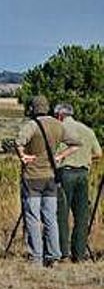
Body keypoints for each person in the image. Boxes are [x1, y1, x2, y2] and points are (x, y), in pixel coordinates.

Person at [15, 96, 79, 267]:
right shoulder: (58, 125)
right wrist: (59, 156)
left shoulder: (32, 125)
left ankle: (36, 256)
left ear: (32, 109)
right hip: (51, 177)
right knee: (51, 217)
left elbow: (18, 141)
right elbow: (75, 143)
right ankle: (54, 255)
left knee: (33, 217)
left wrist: (23, 156)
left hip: (32, 176)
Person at [54, 103, 102, 262]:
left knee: (62, 213)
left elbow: (54, 155)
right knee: (81, 215)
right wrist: (86, 159)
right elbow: (98, 153)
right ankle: (79, 253)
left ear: (60, 116)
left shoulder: (60, 130)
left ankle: (62, 252)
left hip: (65, 173)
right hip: (83, 173)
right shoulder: (87, 130)